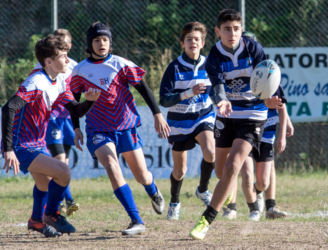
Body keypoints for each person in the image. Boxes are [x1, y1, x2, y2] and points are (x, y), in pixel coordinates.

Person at [189, 9, 282, 240]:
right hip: (227, 114)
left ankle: (205, 221)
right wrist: (221, 101)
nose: (233, 33)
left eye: (237, 29)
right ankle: (240, 184)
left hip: (253, 115)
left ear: (241, 30)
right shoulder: (214, 56)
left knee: (231, 166)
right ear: (218, 31)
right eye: (227, 29)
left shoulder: (253, 49)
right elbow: (218, 87)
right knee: (221, 172)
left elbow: (268, 79)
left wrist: (269, 99)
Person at [70, 22, 170, 235]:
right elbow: (74, 102)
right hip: (98, 130)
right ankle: (136, 221)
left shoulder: (121, 64)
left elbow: (143, 88)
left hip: (125, 127)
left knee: (142, 176)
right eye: (96, 40)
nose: (101, 44)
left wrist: (157, 114)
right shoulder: (79, 70)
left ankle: (153, 190)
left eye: (105, 40)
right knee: (112, 167)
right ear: (90, 44)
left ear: (110, 42)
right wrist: (76, 128)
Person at [1, 34, 101, 237]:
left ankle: (36, 221)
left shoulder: (57, 82)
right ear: (49, 61)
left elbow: (76, 110)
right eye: (63, 56)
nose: (67, 60)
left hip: (35, 143)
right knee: (63, 172)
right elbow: (8, 108)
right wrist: (9, 149)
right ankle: (52, 214)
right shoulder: (36, 82)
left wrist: (90, 100)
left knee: (44, 183)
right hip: (21, 145)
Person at [221, 31, 291, 221]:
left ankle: (260, 196)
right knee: (244, 172)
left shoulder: (268, 76)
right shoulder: (235, 75)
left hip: (266, 134)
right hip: (246, 130)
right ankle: (248, 209)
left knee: (262, 180)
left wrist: (284, 131)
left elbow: (281, 104)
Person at [159, 22, 216, 220]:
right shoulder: (174, 68)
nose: (193, 42)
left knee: (210, 151)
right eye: (189, 39)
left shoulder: (210, 64)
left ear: (203, 43)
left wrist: (223, 101)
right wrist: (186, 94)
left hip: (203, 116)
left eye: (197, 39)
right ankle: (174, 202)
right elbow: (164, 100)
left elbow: (217, 91)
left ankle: (203, 189)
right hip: (179, 122)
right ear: (182, 43)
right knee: (180, 170)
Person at [32, 29, 79, 217]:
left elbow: (75, 97)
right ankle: (66, 202)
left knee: (64, 164)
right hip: (51, 119)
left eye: (65, 43)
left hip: (66, 118)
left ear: (70, 45)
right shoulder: (42, 69)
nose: (63, 46)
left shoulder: (74, 66)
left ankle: (58, 204)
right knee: (59, 164)